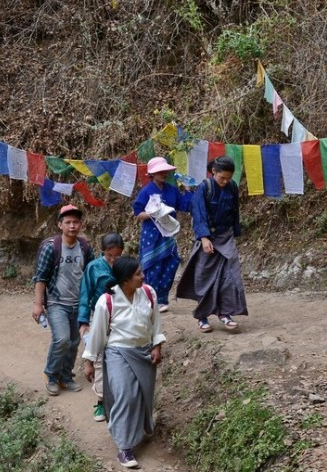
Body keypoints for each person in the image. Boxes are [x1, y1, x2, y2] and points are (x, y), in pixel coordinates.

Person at [82, 256, 165, 469]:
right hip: (118, 352)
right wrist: (89, 361)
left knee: (142, 395)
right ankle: (125, 447)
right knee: (125, 395)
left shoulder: (148, 293)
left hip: (144, 352)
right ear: (125, 280)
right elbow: (98, 334)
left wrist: (157, 345)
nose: (143, 276)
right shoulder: (107, 301)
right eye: (138, 274)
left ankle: (137, 429)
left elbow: (156, 322)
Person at [176, 155, 248, 332]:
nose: (225, 181)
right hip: (208, 237)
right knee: (204, 277)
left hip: (226, 237)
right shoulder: (204, 188)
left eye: (228, 178)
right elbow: (199, 214)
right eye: (222, 177)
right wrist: (204, 238)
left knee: (229, 275)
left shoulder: (232, 187)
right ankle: (202, 317)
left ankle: (225, 314)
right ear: (213, 171)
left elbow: (235, 211)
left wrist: (235, 232)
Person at [32, 204, 95, 396]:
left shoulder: (84, 247)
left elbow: (91, 274)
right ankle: (51, 375)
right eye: (68, 222)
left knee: (74, 341)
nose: (72, 226)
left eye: (76, 222)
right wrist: (37, 304)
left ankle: (66, 377)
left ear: (81, 224)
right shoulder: (51, 247)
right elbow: (40, 277)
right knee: (62, 339)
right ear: (60, 225)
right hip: (56, 302)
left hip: (79, 303)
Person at [132, 156, 193, 313]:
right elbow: (138, 213)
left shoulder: (172, 190)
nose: (163, 173)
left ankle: (162, 298)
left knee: (171, 263)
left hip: (168, 233)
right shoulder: (146, 192)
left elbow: (185, 205)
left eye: (165, 171)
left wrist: (187, 190)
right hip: (152, 235)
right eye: (159, 171)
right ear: (152, 174)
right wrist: (153, 213)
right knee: (152, 265)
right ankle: (151, 299)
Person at [78, 232, 124, 422]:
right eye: (109, 255)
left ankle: (119, 403)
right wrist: (83, 322)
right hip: (99, 317)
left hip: (122, 318)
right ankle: (100, 402)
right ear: (102, 251)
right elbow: (85, 294)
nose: (113, 259)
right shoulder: (93, 268)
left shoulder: (126, 266)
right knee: (98, 358)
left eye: (117, 255)